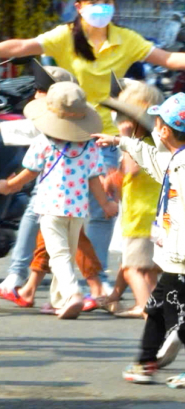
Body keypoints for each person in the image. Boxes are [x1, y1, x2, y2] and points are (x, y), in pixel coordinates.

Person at [0, 0, 185, 285]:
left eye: (107, 2)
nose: (101, 8)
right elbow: (23, 45)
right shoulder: (65, 36)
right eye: (94, 2)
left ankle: (92, 279)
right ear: (79, 6)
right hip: (64, 131)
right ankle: (16, 275)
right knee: (40, 204)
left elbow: (168, 58)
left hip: (107, 136)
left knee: (101, 211)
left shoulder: (126, 39)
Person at [99, 94, 185, 388]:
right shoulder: (182, 157)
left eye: (157, 121)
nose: (154, 125)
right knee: (158, 305)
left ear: (165, 130)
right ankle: (146, 361)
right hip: (180, 246)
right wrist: (120, 142)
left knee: (181, 309)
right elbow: (153, 158)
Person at [0, 82, 114, 319]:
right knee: (66, 254)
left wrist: (10, 186)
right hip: (78, 209)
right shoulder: (89, 146)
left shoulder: (44, 143)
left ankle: (73, 292)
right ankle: (57, 301)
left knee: (59, 255)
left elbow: (28, 173)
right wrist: (105, 204)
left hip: (50, 209)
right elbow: (95, 179)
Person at [100, 80, 165, 318]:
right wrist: (113, 181)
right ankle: (156, 305)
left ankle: (145, 307)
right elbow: (125, 174)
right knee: (146, 269)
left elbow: (133, 168)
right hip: (151, 213)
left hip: (141, 215)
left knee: (132, 268)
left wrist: (124, 137)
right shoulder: (154, 141)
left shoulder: (138, 144)